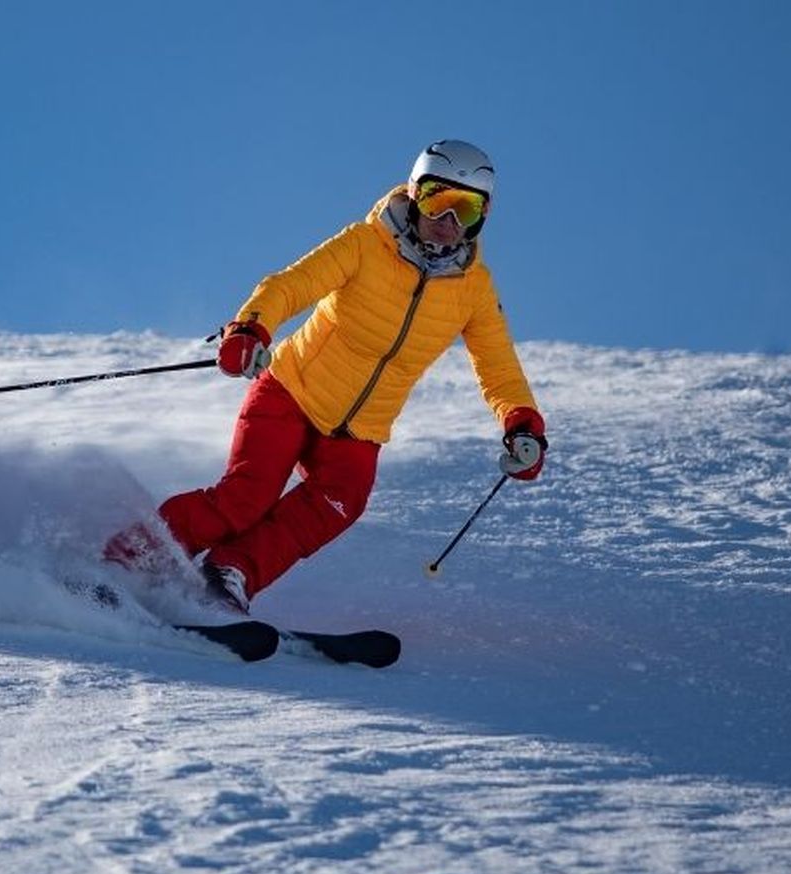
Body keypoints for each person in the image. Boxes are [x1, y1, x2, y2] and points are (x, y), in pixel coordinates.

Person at [104, 140, 547, 612]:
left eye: (467, 208)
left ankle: (229, 573)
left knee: (340, 503)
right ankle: (127, 560)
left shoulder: (474, 289)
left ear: (484, 215)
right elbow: (291, 285)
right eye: (439, 200)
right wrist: (251, 329)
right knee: (246, 497)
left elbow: (497, 362)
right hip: (292, 392)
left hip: (360, 430)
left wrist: (522, 424)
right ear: (416, 194)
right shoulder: (365, 244)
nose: (449, 221)